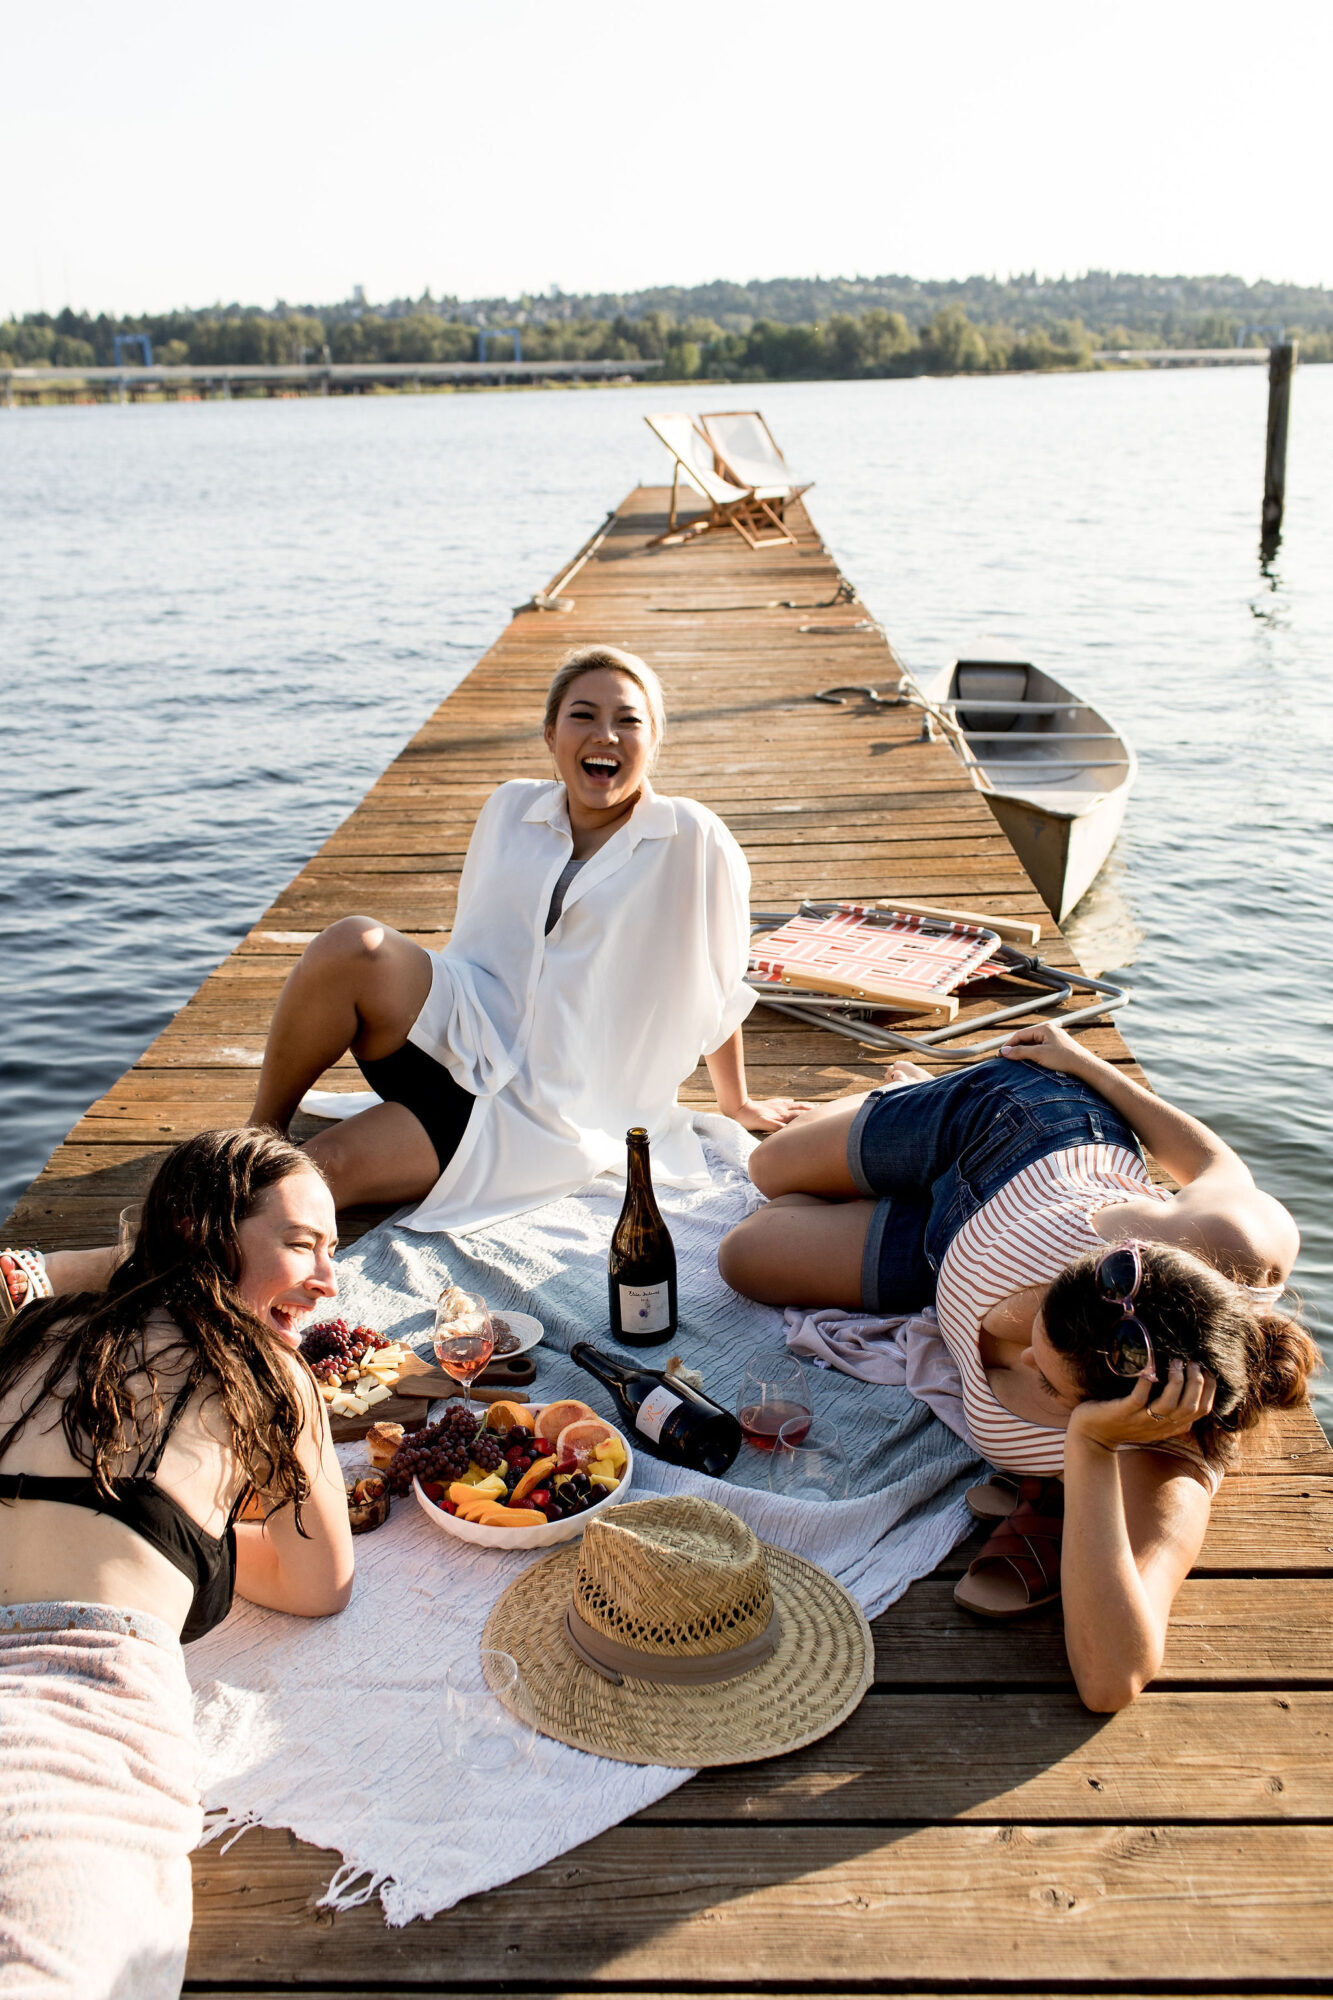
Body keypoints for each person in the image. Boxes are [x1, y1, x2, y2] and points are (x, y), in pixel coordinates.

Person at [717, 1022, 1318, 1710]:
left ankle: (889, 1159)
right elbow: (1219, 1169)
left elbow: (1109, 1680)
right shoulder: (1225, 1241)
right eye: (1039, 1327)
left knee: (746, 1253)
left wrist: (1090, 1449)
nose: (1016, 1352)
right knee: (765, 1167)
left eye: (1044, 1379)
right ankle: (917, 1104)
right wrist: (1085, 1064)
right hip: (1013, 1128)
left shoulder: (1160, 1460)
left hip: (940, 1255)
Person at [243, 643, 807, 1234]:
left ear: (654, 739)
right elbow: (471, 951)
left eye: (628, 721)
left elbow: (717, 983)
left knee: (312, 1175)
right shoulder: (511, 807)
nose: (606, 735)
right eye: (583, 716)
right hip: (465, 1034)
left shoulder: (692, 837)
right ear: (550, 734)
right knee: (354, 942)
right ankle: (257, 1133)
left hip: (536, 1111)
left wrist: (735, 1102)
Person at [0, 1128, 354, 1998]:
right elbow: (322, 1584)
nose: (327, 1280)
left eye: (332, 1250)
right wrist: (198, 1547)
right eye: (300, 1243)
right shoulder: (268, 1372)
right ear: (208, 1231)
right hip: (84, 1705)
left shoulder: (39, 1333)